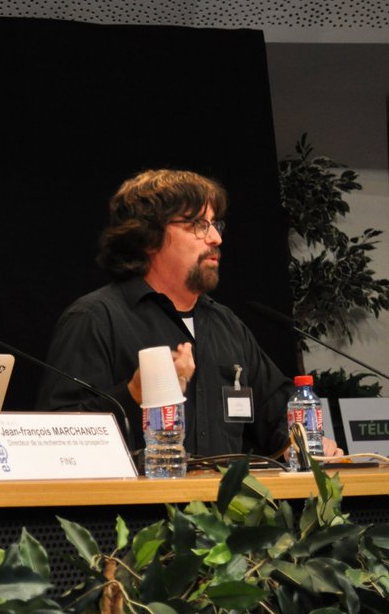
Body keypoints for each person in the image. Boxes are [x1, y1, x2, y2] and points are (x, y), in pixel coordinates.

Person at [36, 168, 341, 460]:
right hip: (138, 511)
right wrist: (134, 394)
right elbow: (58, 438)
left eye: (215, 224)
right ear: (148, 237)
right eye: (198, 224)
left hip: (224, 511)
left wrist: (304, 442)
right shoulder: (96, 318)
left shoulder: (227, 325)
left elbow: (277, 415)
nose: (215, 239)